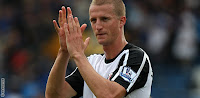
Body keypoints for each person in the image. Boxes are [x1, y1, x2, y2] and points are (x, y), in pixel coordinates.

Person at [45, 0, 153, 98]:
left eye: (104, 19)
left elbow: (110, 95)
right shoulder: (91, 63)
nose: (98, 26)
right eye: (93, 20)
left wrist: (78, 55)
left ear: (121, 21)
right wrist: (64, 51)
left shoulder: (136, 57)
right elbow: (54, 95)